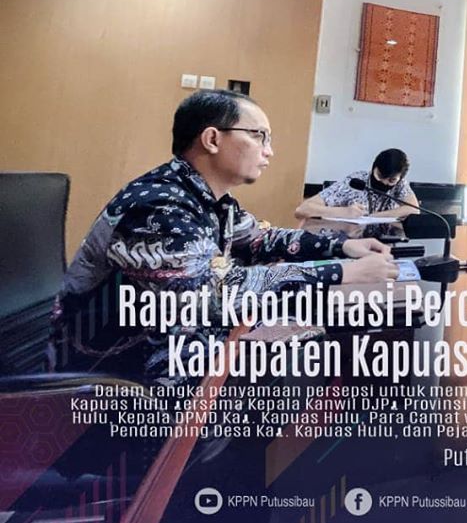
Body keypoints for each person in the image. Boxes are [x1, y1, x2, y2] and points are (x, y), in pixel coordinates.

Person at [55, 89, 398, 383]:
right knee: (307, 357)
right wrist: (342, 272)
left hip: (173, 346)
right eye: (259, 136)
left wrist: (343, 245)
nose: (269, 151)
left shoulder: (207, 199)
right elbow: (215, 294)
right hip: (114, 378)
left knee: (310, 342)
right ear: (212, 139)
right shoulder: (157, 207)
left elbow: (262, 239)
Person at [294, 149, 420, 234]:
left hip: (384, 244)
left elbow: (413, 209)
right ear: (374, 168)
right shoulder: (355, 182)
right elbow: (302, 210)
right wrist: (344, 212)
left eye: (391, 180)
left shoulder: (400, 184)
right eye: (380, 176)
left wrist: (372, 217)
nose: (384, 183)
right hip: (348, 243)